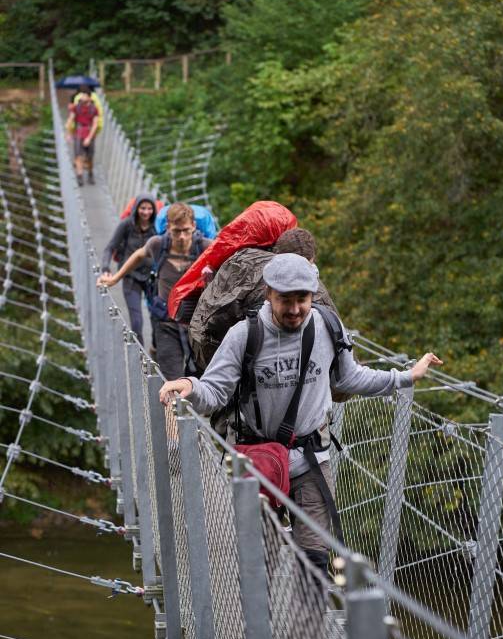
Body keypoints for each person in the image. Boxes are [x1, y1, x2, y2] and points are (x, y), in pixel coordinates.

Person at [159, 253, 443, 574]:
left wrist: (406, 376)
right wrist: (189, 386)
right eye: (285, 300)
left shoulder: (328, 326)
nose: (294, 310)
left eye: (302, 299)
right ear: (269, 293)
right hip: (259, 460)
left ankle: (307, 622)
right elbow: (215, 391)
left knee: (315, 563)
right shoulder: (244, 335)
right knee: (257, 562)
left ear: (313, 295)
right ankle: (259, 620)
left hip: (312, 458)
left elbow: (350, 378)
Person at [188, 227, 337, 371]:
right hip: (295, 368)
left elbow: (215, 317)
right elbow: (340, 354)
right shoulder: (316, 288)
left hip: (242, 366)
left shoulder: (245, 264)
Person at [98, 202, 212, 378]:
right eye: (176, 231)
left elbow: (228, 261)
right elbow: (138, 255)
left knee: (197, 380)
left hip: (197, 324)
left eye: (186, 231)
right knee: (171, 378)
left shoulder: (204, 247)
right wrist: (114, 278)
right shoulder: (158, 244)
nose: (181, 237)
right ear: (168, 228)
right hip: (166, 322)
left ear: (194, 227)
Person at [98, 194, 157, 346]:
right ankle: (140, 357)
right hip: (130, 276)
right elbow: (110, 247)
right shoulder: (126, 225)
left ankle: (156, 348)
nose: (146, 212)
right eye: (143, 208)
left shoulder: (157, 227)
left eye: (150, 208)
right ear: (136, 209)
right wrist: (105, 268)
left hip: (152, 277)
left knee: (158, 318)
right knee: (137, 321)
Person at [65, 87, 99, 186]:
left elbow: (95, 124)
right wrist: (68, 133)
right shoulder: (77, 107)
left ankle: (90, 173)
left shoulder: (94, 109)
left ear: (89, 97)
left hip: (88, 133)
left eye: (84, 95)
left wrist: (89, 137)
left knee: (89, 157)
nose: (82, 97)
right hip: (79, 134)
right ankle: (79, 176)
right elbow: (71, 119)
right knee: (78, 156)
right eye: (82, 95)